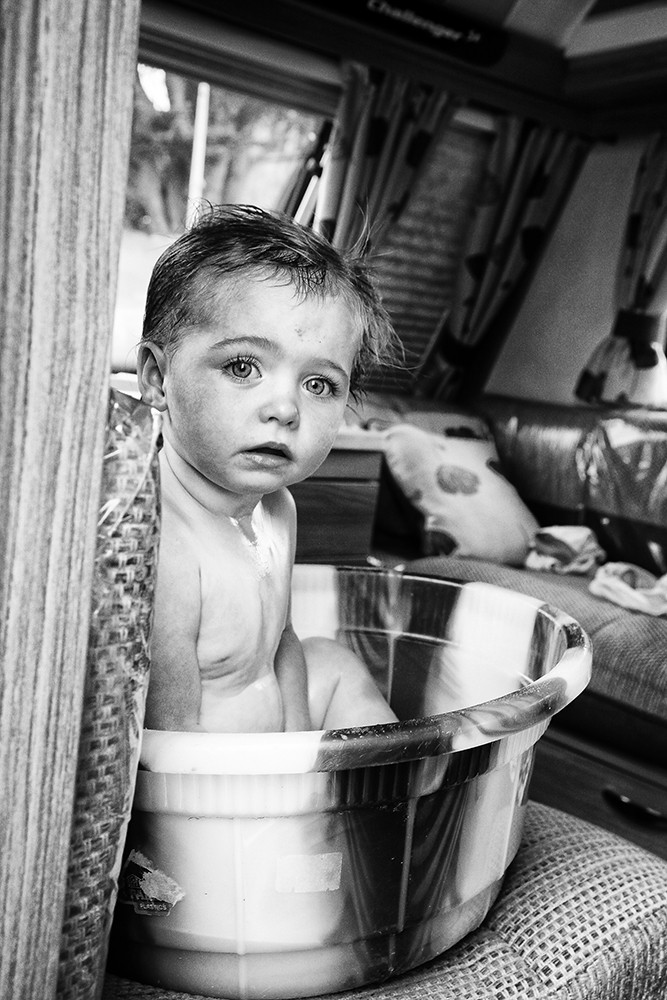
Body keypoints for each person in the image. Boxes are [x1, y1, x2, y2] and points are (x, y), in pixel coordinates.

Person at [137, 204, 399, 734]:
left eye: (319, 384)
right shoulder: (165, 544)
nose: (286, 408)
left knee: (334, 660)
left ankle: (391, 797)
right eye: (242, 367)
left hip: (275, 754)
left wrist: (303, 755)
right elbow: (169, 745)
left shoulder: (279, 507)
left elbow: (282, 642)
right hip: (215, 791)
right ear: (156, 378)